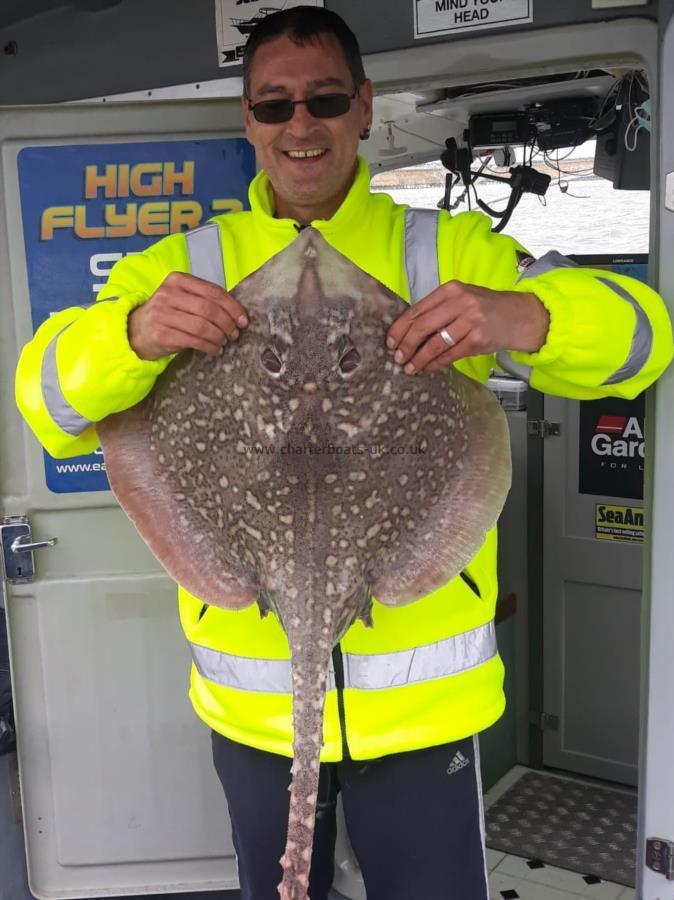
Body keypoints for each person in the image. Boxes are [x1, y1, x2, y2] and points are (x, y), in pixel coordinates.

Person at [14, 7, 673, 899]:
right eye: (275, 103)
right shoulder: (181, 265)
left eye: (324, 99)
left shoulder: (444, 250)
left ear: (363, 107)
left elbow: (645, 340)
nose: (300, 123)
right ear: (247, 118)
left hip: (424, 717)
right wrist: (130, 335)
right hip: (256, 710)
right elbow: (45, 399)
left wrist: (527, 315)